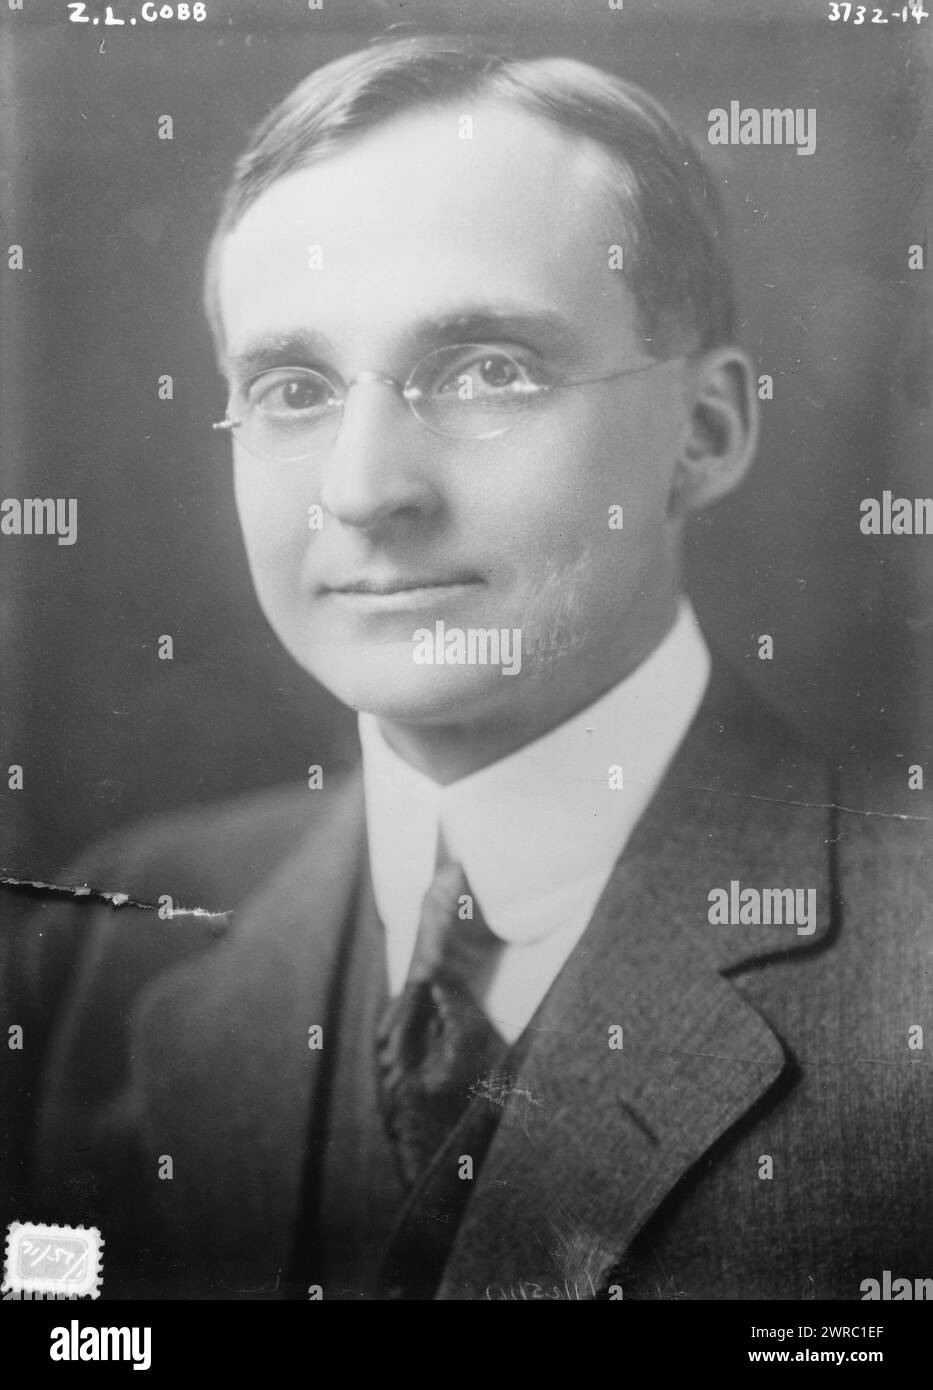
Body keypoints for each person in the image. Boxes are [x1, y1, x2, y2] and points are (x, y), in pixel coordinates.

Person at [4, 32, 931, 1301]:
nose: (365, 488)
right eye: (290, 387)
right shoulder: (115, 939)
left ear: (704, 433)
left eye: (489, 370)